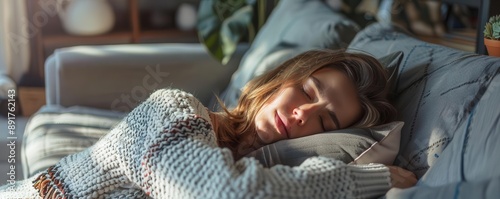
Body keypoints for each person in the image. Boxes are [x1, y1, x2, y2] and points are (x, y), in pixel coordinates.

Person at [0, 49, 416, 198]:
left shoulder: (273, 174)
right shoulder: (176, 111)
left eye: (325, 121)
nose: (303, 115)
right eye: (306, 92)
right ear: (280, 80)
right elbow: (228, 194)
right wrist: (364, 179)